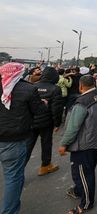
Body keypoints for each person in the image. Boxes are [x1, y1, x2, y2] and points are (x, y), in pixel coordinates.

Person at [0, 63, 46, 214]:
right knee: (13, 178)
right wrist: (43, 104)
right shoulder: (28, 89)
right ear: (20, 73)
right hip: (14, 141)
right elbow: (38, 111)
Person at [59, 75, 97, 214]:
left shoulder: (81, 103)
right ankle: (77, 190)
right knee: (87, 170)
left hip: (85, 145)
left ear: (81, 86)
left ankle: (86, 203)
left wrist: (64, 144)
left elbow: (73, 128)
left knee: (82, 174)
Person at [25, 67, 64, 175]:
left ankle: (19, 167)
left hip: (31, 121)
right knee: (46, 143)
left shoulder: (32, 86)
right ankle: (45, 166)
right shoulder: (55, 89)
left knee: (28, 145)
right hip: (46, 123)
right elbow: (57, 109)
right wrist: (57, 123)